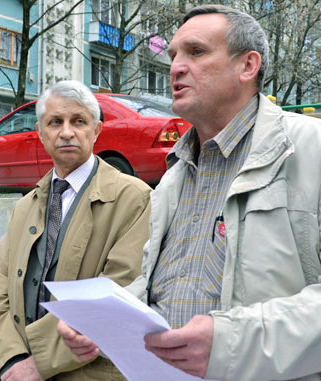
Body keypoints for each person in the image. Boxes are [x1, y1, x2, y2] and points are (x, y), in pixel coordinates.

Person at [57, 4, 321, 381]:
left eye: (196, 52)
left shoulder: (310, 149)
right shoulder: (174, 177)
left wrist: (231, 344)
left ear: (248, 66)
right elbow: (169, 288)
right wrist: (103, 320)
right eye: (174, 54)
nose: (176, 67)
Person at [0, 80, 151, 381]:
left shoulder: (133, 199)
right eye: (55, 122)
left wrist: (38, 364)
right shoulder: (26, 206)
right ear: (41, 133)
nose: (67, 132)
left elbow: (119, 294)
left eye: (79, 121)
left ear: (97, 130)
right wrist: (11, 361)